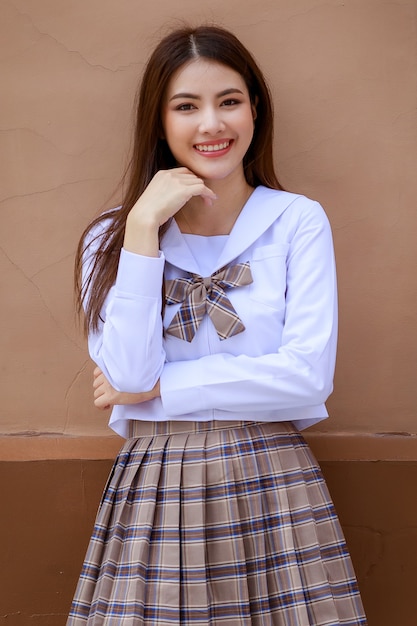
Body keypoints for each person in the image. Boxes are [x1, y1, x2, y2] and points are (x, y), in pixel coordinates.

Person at [67, 24, 367, 626]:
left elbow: (306, 382)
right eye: (187, 106)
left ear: (255, 109)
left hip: (273, 483)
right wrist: (143, 231)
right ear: (159, 120)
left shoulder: (296, 222)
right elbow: (126, 373)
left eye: (229, 101)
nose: (212, 124)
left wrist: (163, 389)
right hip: (157, 485)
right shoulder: (112, 238)